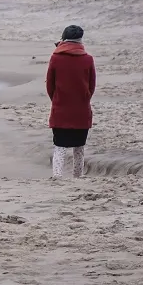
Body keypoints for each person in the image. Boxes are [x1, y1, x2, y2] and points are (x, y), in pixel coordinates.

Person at [46, 25, 97, 178]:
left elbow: (50, 85)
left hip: (61, 108)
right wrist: (84, 98)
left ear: (64, 38)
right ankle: (77, 176)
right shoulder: (88, 59)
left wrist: (57, 100)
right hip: (81, 109)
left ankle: (57, 176)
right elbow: (92, 85)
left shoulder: (56, 57)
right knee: (79, 147)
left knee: (59, 146)